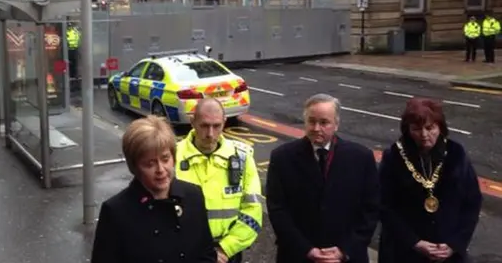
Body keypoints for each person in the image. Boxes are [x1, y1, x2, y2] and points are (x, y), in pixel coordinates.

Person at [266, 93, 379, 263]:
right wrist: (306, 249)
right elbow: (277, 209)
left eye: (324, 122)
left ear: (336, 124)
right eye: (312, 121)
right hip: (298, 256)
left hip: (346, 257)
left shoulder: (361, 157)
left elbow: (370, 209)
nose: (316, 128)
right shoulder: (282, 157)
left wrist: (345, 250)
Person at [91, 115, 216, 263]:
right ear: (135, 167)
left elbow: (206, 253)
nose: (161, 170)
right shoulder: (116, 211)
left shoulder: (193, 195)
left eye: (165, 159)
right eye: (150, 164)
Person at [377, 98, 482, 263]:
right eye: (416, 129)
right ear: (407, 130)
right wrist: (414, 242)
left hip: (448, 253)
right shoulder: (394, 157)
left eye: (430, 128)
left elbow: (472, 202)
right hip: (403, 253)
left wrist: (455, 244)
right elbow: (384, 206)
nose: (424, 135)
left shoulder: (456, 153)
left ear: (440, 127)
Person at [176, 98, 263, 263]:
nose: (210, 134)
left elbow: (253, 212)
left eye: (216, 126)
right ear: (192, 122)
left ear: (224, 122)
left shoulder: (242, 158)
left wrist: (225, 249)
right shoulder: (173, 157)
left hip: (228, 254)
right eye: (204, 126)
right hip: (186, 253)